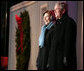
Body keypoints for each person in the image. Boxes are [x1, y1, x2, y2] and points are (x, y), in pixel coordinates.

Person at [46, 2, 77, 70]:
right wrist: (50, 60)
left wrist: (66, 56)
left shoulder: (69, 22)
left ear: (63, 11)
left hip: (62, 61)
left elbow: (68, 41)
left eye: (56, 9)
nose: (54, 12)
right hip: (54, 60)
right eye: (54, 10)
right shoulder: (56, 23)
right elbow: (49, 40)